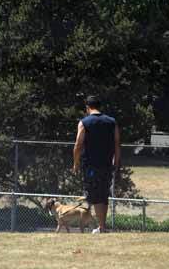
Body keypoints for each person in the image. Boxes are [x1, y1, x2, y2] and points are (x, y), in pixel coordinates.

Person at [72, 95, 120, 233]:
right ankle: (102, 226)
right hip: (107, 165)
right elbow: (117, 143)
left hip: (91, 165)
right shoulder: (112, 122)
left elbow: (78, 145)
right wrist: (116, 162)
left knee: (96, 194)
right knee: (103, 194)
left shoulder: (84, 122)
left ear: (87, 107)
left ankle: (102, 227)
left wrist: (75, 163)